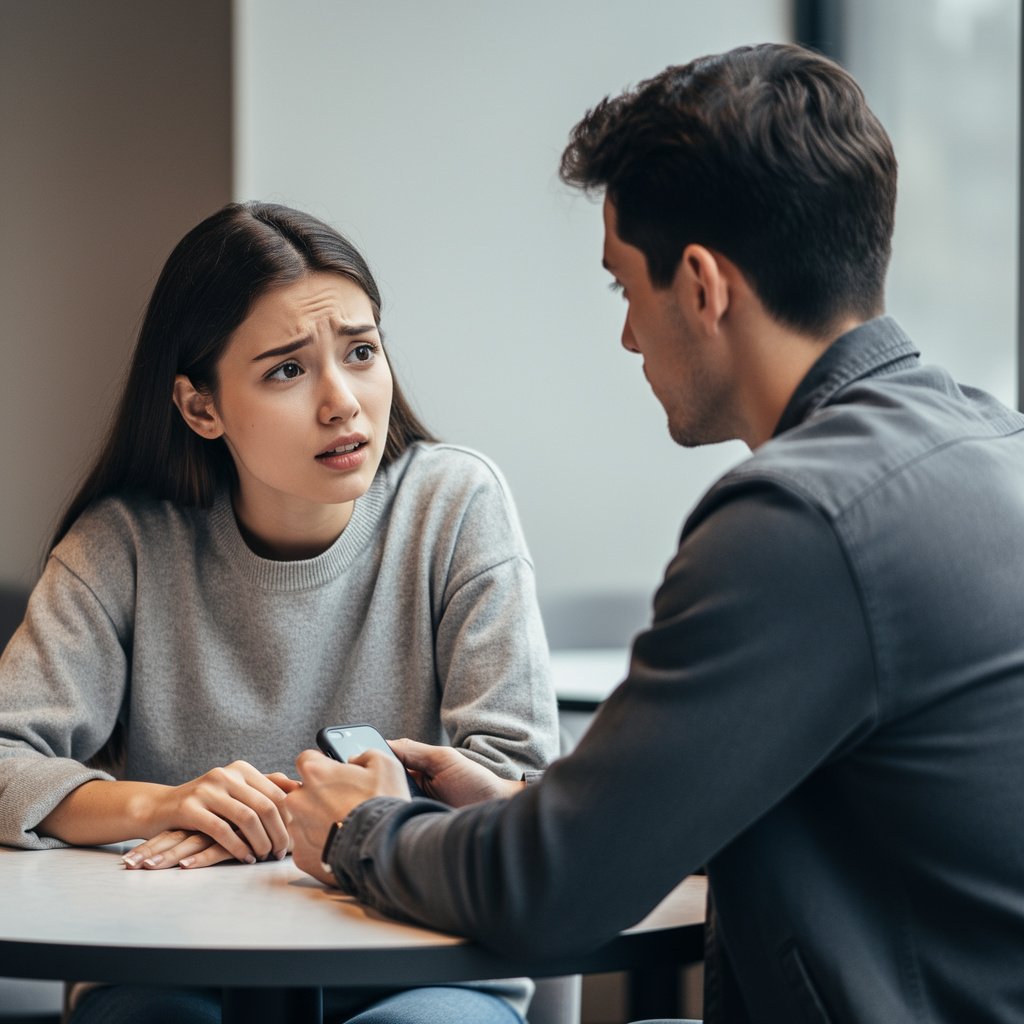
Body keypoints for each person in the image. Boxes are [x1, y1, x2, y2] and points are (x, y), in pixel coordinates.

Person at [284, 43, 1024, 1024]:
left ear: (705, 287)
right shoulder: (984, 438)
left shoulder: (799, 523)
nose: (628, 334)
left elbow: (550, 894)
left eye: (624, 289)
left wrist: (358, 828)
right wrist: (521, 807)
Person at [0, 202, 559, 1024]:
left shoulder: (454, 504)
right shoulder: (122, 542)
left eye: (362, 353)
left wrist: (326, 818)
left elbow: (520, 783)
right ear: (200, 408)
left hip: (423, 963)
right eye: (287, 371)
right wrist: (167, 802)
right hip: (171, 963)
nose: (344, 403)